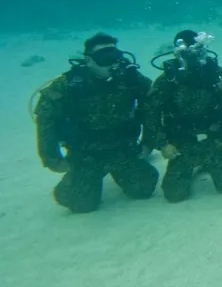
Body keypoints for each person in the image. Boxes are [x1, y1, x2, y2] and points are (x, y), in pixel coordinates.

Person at [33, 32, 159, 213]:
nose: (113, 62)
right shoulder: (69, 84)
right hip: (86, 152)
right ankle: (76, 180)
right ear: (89, 60)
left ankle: (124, 168)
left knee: (144, 188)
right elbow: (46, 118)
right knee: (80, 204)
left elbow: (151, 106)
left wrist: (148, 142)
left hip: (121, 147)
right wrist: (51, 157)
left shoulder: (129, 78)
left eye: (115, 56)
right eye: (104, 57)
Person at [146, 30, 222, 203]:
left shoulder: (217, 75)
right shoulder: (167, 81)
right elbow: (151, 113)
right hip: (181, 143)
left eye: (197, 52)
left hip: (214, 138)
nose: (192, 58)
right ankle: (208, 160)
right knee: (174, 194)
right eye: (187, 53)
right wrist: (163, 143)